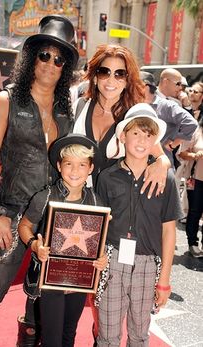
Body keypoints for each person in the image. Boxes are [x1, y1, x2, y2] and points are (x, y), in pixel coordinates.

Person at [0, 15, 79, 347]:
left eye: (59, 59)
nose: (50, 63)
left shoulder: (65, 110)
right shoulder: (5, 101)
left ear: (65, 68)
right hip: (11, 216)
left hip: (55, 221)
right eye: (44, 54)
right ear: (32, 57)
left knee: (41, 300)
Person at [96, 103, 183, 347]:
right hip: (112, 261)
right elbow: (100, 225)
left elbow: (168, 231)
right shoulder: (107, 177)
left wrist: (164, 279)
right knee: (107, 336)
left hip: (148, 264)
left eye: (149, 134)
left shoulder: (165, 179)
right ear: (123, 135)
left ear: (155, 139)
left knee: (140, 335)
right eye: (136, 132)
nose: (142, 140)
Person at [18, 134, 108, 347]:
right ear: (59, 166)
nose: (75, 171)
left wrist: (102, 259)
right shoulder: (45, 197)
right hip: (50, 281)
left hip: (79, 281)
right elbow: (24, 226)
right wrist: (34, 244)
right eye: (69, 164)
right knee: (52, 338)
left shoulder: (96, 201)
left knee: (69, 334)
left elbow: (100, 241)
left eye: (81, 165)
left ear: (90, 168)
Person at [73, 44, 170, 194]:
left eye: (119, 74)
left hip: (117, 204)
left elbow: (160, 157)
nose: (111, 81)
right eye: (105, 72)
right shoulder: (79, 107)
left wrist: (162, 164)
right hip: (78, 200)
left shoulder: (134, 115)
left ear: (127, 80)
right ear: (95, 76)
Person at [140, 71, 198, 168]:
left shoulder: (170, 104)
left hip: (163, 162)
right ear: (166, 81)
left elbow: (190, 123)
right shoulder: (137, 102)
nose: (180, 88)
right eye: (178, 84)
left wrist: (173, 143)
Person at [178, 118, 203, 257]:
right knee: (195, 212)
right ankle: (192, 243)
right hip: (196, 179)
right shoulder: (196, 131)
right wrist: (194, 155)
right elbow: (182, 153)